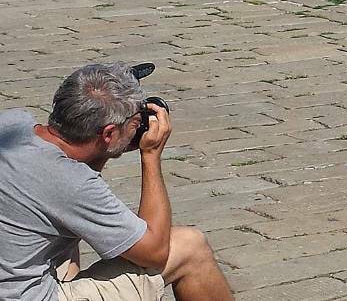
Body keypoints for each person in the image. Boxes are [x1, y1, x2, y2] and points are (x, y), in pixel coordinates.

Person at [0, 63, 233, 301]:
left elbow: (65, 187)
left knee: (68, 237)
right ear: (109, 133)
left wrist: (107, 149)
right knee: (191, 247)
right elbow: (154, 252)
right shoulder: (72, 183)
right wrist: (150, 155)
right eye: (134, 123)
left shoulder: (11, 125)